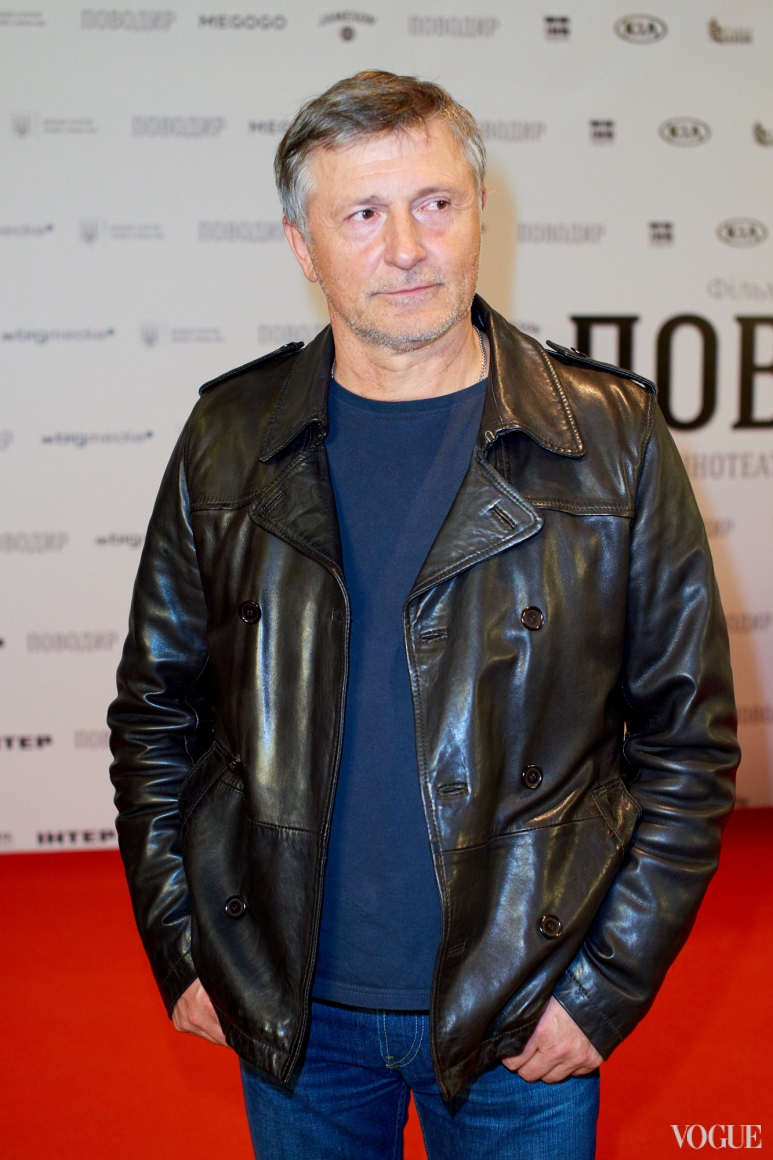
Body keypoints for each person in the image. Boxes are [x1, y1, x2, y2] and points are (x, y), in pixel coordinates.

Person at [108, 71, 739, 1160]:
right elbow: (157, 716)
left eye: (435, 203)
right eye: (361, 213)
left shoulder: (612, 436)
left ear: (480, 212)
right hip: (292, 1009)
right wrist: (185, 946)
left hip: (521, 1006)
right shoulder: (227, 435)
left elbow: (685, 744)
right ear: (303, 247)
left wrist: (600, 989)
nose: (406, 247)